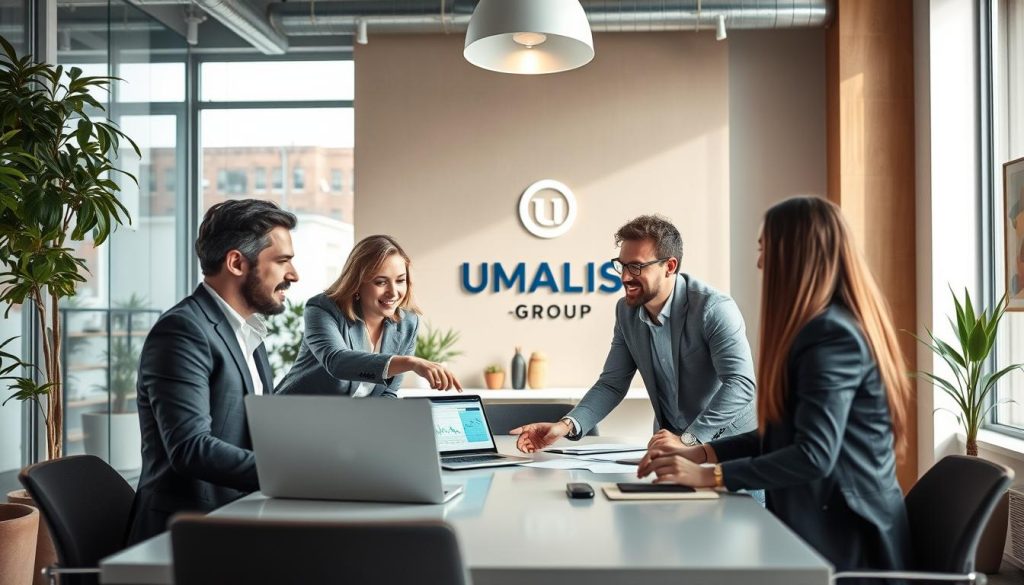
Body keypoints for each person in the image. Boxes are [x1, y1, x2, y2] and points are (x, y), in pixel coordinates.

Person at [638, 196, 911, 574]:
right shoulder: (818, 329)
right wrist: (701, 454)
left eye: (765, 248)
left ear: (795, 255)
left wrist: (709, 476)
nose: (760, 261)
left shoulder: (832, 336)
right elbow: (783, 435)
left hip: (848, 542)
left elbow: (814, 454)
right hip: (818, 524)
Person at [127, 199, 299, 544]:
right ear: (237, 262)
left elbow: (254, 430)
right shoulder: (183, 330)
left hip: (240, 514)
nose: (293, 275)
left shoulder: (248, 332)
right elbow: (190, 447)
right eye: (282, 262)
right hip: (186, 532)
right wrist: (293, 474)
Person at [513, 214, 757, 452]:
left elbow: (741, 383)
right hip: (669, 445)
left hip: (729, 446)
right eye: (622, 265)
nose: (625, 276)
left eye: (637, 266)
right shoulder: (626, 312)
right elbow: (612, 384)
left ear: (669, 266)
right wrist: (565, 426)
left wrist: (689, 440)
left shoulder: (713, 308)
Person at [276, 234, 461, 396]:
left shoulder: (408, 324)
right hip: (293, 417)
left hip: (346, 427)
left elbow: (388, 392)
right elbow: (337, 362)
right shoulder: (323, 309)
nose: (393, 292)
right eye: (381, 282)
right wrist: (411, 362)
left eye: (400, 281)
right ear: (357, 283)